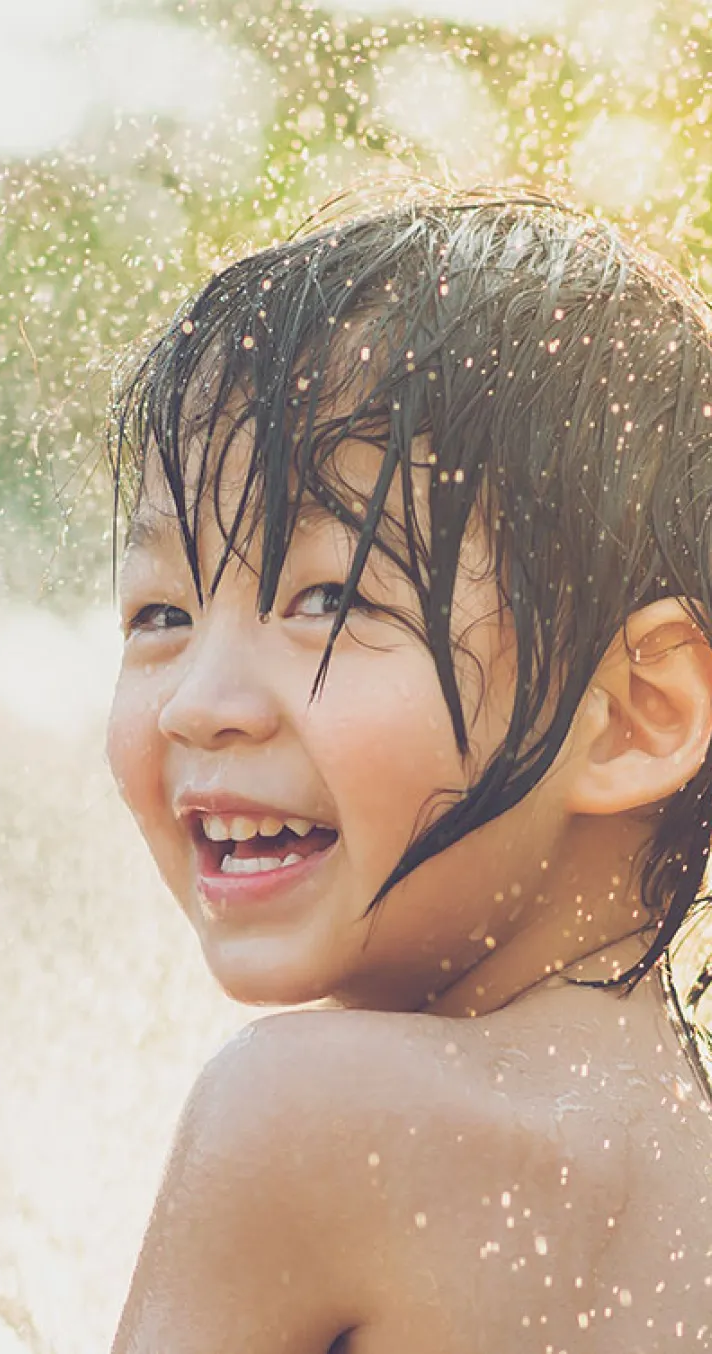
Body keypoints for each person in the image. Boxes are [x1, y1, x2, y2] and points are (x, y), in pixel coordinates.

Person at [105, 186, 712, 1352]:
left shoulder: (306, 1119)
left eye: (329, 598)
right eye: (159, 611)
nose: (197, 703)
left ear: (635, 711)